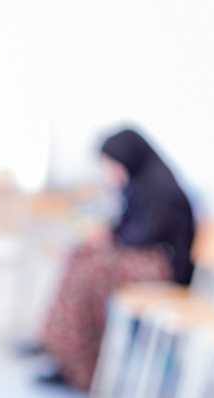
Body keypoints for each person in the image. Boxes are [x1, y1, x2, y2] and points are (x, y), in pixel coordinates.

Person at [39, 129, 196, 390]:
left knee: (93, 272)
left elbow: (143, 239)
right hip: (139, 260)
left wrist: (110, 238)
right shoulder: (138, 183)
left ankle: (86, 367)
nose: (110, 171)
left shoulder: (162, 187)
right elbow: (126, 229)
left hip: (161, 268)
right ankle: (64, 355)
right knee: (79, 256)